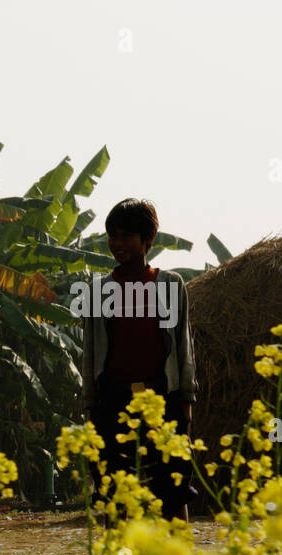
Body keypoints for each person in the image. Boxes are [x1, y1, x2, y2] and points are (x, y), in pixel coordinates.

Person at [82, 199, 198, 521]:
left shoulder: (170, 285)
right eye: (112, 236)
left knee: (173, 484)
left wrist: (185, 400)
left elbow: (183, 346)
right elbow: (90, 353)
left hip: (162, 394)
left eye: (126, 236)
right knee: (114, 484)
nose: (117, 244)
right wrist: (91, 404)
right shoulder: (99, 291)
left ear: (148, 239)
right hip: (113, 396)